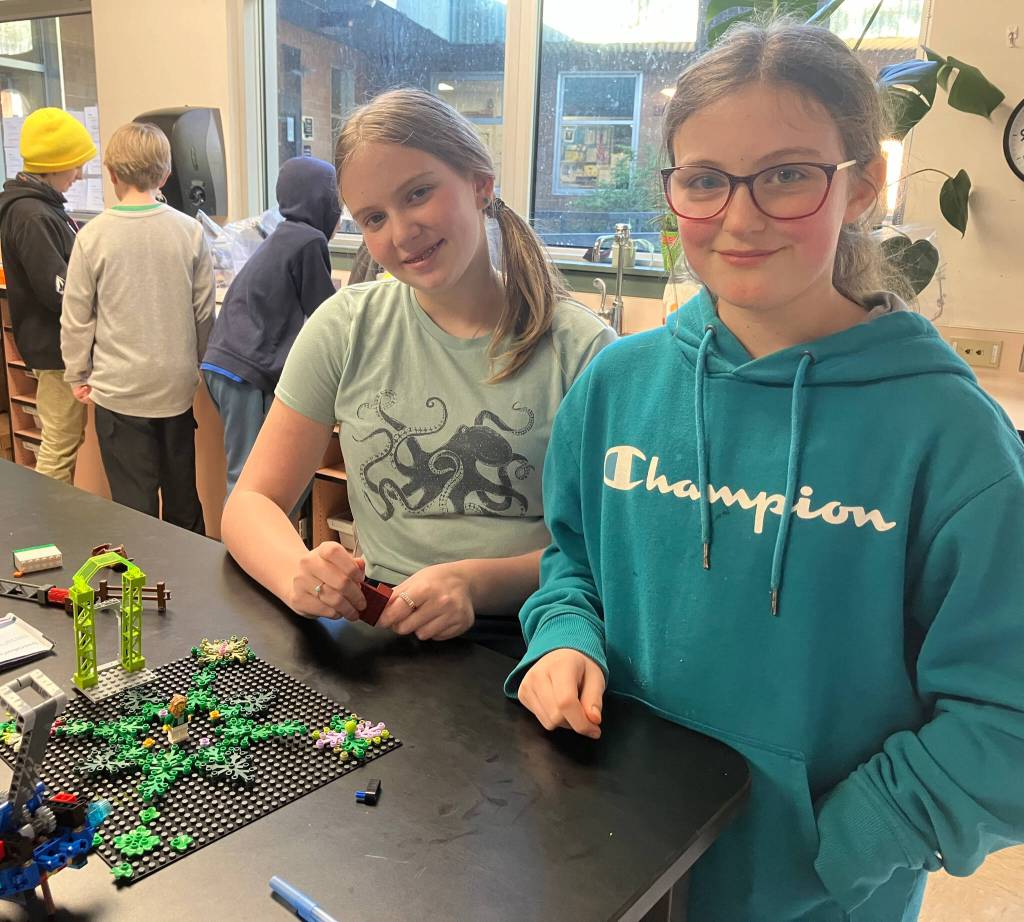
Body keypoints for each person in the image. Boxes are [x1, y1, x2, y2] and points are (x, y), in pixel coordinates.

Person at [507, 20, 1024, 922]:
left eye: (787, 174)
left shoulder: (951, 436)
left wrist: (840, 844)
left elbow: (1007, 719)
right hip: (615, 868)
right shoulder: (618, 384)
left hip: (817, 897)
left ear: (862, 186)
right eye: (704, 180)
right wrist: (561, 639)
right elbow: (573, 564)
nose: (739, 217)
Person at [221, 88, 615, 644]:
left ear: (481, 185)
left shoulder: (581, 348)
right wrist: (298, 573)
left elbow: (606, 547)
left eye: (419, 193)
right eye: (374, 217)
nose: (401, 233)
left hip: (541, 637)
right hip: (384, 628)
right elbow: (250, 504)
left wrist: (472, 584)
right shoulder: (345, 327)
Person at [61, 122, 214, 533]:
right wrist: (196, 363)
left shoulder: (92, 237)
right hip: (175, 389)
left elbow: (76, 316)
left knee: (134, 506)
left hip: (119, 390)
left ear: (111, 175)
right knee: (183, 498)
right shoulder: (190, 232)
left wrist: (77, 372)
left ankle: (143, 588)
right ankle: (193, 586)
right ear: (166, 176)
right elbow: (203, 313)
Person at [202, 156, 341, 498]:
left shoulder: (283, 235)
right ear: (323, 202)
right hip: (246, 372)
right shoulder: (309, 240)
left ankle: (246, 547)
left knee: (248, 473)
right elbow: (329, 314)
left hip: (224, 365)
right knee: (253, 480)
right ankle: (240, 551)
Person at [0, 107, 95, 483]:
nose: (80, 175)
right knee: (60, 443)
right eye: (75, 166)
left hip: (53, 344)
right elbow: (58, 288)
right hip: (55, 349)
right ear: (54, 166)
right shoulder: (32, 215)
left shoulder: (41, 208)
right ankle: (48, 531)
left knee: (63, 437)